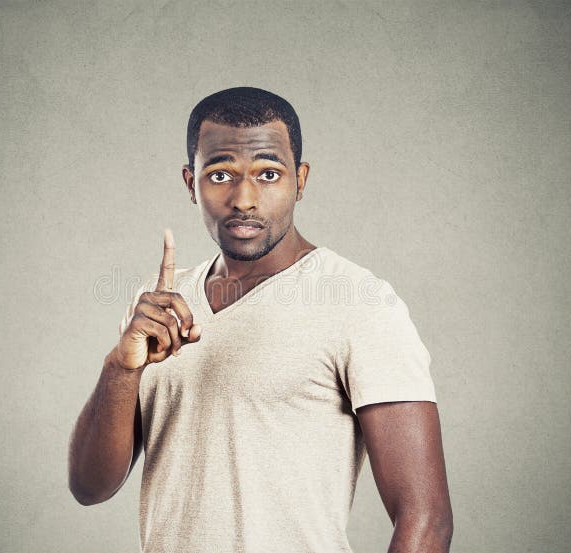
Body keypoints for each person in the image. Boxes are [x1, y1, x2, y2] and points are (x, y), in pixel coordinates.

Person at [68, 87, 453, 552]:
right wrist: (121, 368)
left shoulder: (360, 301)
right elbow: (90, 488)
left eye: (268, 173)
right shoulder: (161, 305)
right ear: (191, 183)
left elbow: (425, 518)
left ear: (300, 179)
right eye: (221, 173)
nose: (244, 198)